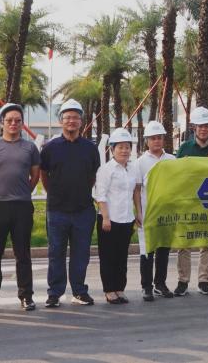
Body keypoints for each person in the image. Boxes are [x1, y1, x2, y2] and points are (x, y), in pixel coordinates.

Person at [0, 103, 41, 313]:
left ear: (22, 124)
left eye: (17, 120)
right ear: (2, 123)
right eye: (9, 120)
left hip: (22, 206)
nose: (13, 124)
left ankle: (26, 296)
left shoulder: (30, 148)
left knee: (23, 253)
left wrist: (23, 192)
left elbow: (35, 176)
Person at [40, 98, 100, 308]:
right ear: (61, 121)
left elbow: (93, 176)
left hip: (83, 210)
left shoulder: (90, 148)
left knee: (81, 254)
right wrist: (55, 193)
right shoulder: (50, 148)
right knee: (56, 253)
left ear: (81, 121)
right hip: (57, 210)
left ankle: (79, 291)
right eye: (67, 117)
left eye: (75, 117)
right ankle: (54, 293)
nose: (71, 121)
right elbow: (44, 175)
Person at [175, 106, 208, 295]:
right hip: (188, 201)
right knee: (184, 243)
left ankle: (203, 281)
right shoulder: (185, 148)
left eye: (207, 126)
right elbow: (176, 173)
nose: (204, 129)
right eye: (200, 126)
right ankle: (183, 281)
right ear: (194, 128)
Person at [94, 128, 141, 304]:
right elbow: (101, 195)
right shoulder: (106, 170)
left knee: (122, 256)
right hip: (109, 219)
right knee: (108, 257)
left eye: (127, 147)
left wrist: (138, 212)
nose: (124, 150)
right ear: (112, 149)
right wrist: (106, 218)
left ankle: (120, 288)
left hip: (126, 219)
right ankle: (109, 290)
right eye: (120, 147)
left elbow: (136, 191)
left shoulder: (133, 168)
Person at [136, 121, 176, 301]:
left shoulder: (172, 160)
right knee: (147, 251)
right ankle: (146, 287)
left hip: (167, 213)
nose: (157, 141)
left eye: (159, 137)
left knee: (163, 249)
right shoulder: (140, 162)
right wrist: (139, 212)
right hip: (148, 213)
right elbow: (137, 190)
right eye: (153, 138)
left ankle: (160, 284)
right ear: (147, 141)